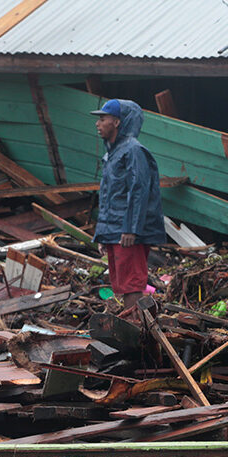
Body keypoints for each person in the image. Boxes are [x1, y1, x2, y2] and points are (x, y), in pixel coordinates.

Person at [91, 99, 166, 311]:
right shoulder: (113, 154)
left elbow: (139, 191)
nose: (98, 124)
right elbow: (109, 197)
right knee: (122, 284)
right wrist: (103, 235)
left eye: (102, 119)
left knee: (132, 284)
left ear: (116, 122)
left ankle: (135, 328)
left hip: (127, 232)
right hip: (115, 230)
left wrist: (131, 228)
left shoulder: (133, 151)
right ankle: (131, 325)